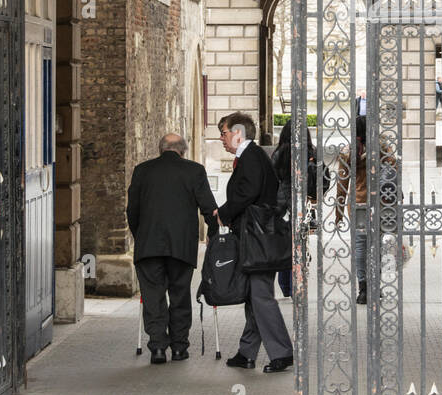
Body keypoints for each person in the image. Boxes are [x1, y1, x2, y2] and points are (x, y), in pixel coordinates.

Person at [126, 133, 217, 364]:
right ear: (183, 151)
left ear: (161, 149)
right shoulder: (194, 171)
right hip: (181, 246)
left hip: (149, 246)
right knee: (180, 295)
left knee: (153, 297)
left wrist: (141, 236)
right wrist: (215, 235)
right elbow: (208, 207)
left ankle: (157, 348)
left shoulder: (142, 170)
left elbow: (132, 210)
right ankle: (179, 347)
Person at [216, 111, 294, 373]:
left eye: (224, 133)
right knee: (254, 295)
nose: (222, 138)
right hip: (257, 238)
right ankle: (247, 352)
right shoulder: (252, 156)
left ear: (238, 132)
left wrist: (223, 213)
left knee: (261, 297)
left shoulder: (250, 157)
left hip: (258, 240)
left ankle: (282, 353)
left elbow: (247, 192)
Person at [335, 116, 399, 305]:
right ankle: (375, 286)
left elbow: (342, 184)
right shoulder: (382, 148)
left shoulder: (348, 151)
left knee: (360, 246)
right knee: (377, 245)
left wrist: (338, 213)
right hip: (378, 202)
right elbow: (393, 171)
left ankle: (363, 288)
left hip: (356, 203)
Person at [270, 118, 317, 298]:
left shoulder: (279, 153)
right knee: (301, 244)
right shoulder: (310, 152)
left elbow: (273, 179)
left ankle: (286, 286)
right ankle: (299, 282)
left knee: (285, 245)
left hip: (282, 206)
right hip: (303, 204)